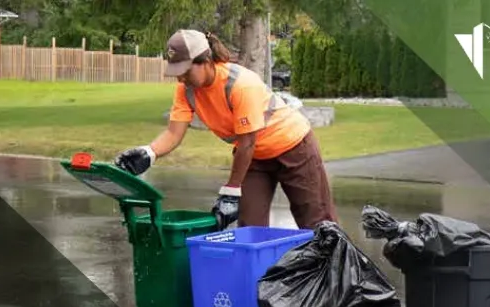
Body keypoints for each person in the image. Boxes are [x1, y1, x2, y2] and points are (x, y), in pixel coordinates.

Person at [114, 29, 338, 230]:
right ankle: (257, 276)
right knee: (250, 229)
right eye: (176, 71)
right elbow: (173, 133)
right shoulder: (186, 90)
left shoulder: (240, 84)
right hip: (254, 159)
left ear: (206, 60)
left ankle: (341, 275)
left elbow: (247, 142)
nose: (181, 77)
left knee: (317, 226)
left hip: (294, 147)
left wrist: (231, 190)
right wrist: (149, 152)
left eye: (185, 70)